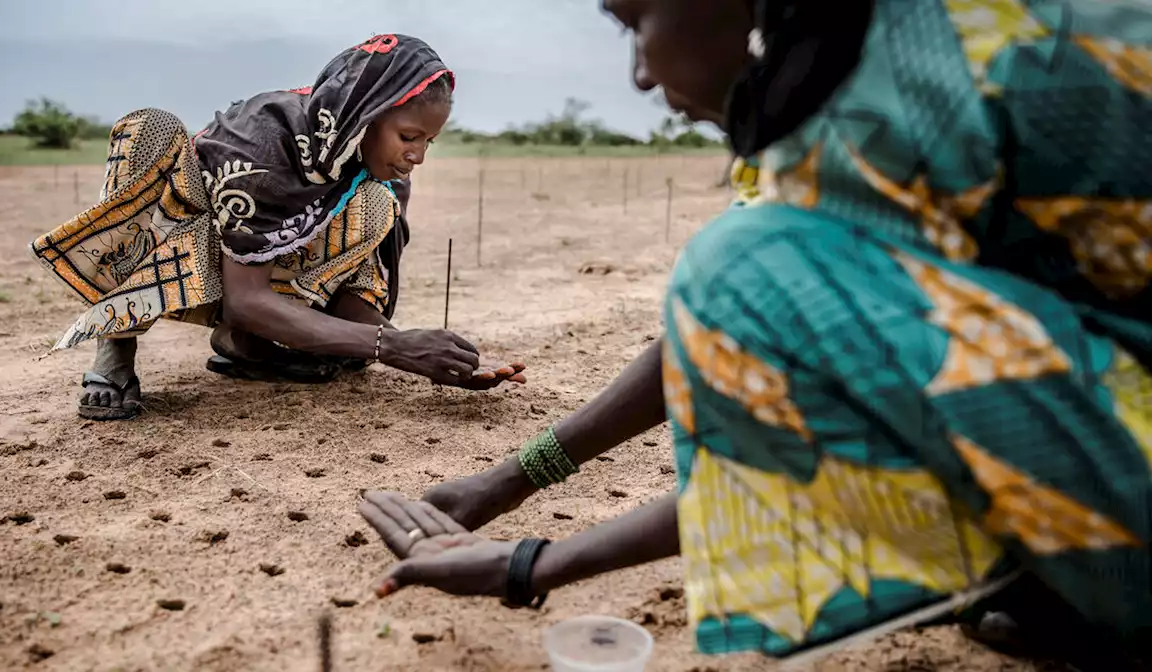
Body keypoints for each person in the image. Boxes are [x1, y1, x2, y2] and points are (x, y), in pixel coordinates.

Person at [357, 0, 1152, 668]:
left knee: (736, 263)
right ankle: (1057, 585)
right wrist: (512, 481)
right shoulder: (855, 69)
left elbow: (754, 316)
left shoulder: (910, 84)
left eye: (637, 21)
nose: (639, 72)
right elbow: (741, 327)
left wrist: (536, 563)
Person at [31, 34, 526, 421]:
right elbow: (247, 298)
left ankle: (244, 346)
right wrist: (395, 348)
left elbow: (350, 294)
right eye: (409, 136)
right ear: (364, 117)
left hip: (251, 276)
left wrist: (431, 358)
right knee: (151, 129)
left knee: (380, 204)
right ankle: (116, 346)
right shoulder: (266, 146)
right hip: (183, 244)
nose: (417, 155)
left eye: (429, 142)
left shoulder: (370, 177)